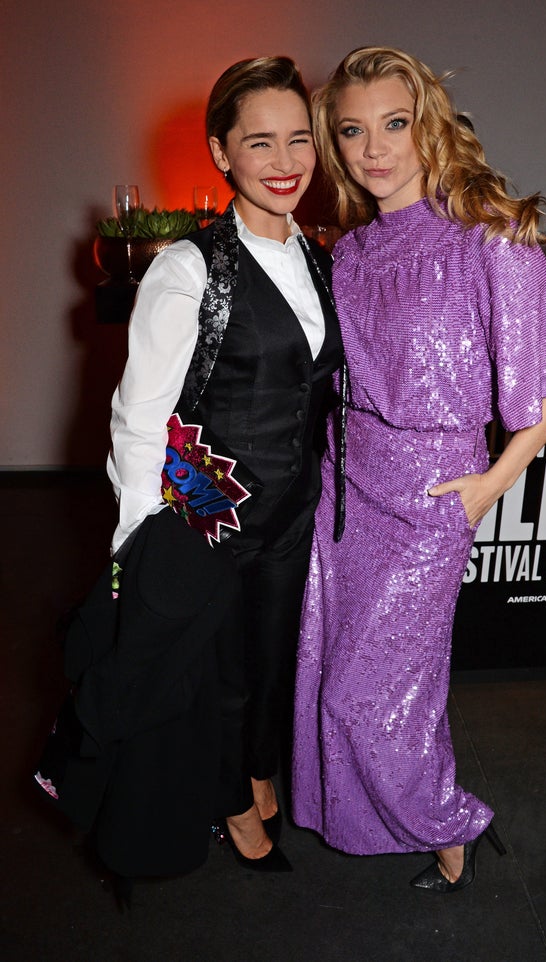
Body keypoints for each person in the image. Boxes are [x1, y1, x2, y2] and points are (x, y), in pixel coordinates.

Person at [35, 55, 342, 892]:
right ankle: (231, 802)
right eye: (259, 142)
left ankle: (253, 775)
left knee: (270, 660)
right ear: (221, 153)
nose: (285, 161)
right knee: (212, 672)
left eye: (299, 139)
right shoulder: (188, 268)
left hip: (294, 510)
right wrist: (140, 543)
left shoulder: (321, 260)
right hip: (205, 511)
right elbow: (137, 419)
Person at [291, 45, 546, 893]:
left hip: (430, 496)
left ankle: (451, 825)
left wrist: (493, 481)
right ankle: (414, 820)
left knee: (362, 692)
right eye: (352, 131)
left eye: (395, 123)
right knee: (345, 676)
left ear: (428, 126)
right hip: (344, 489)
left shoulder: (484, 236)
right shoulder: (348, 253)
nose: (373, 148)